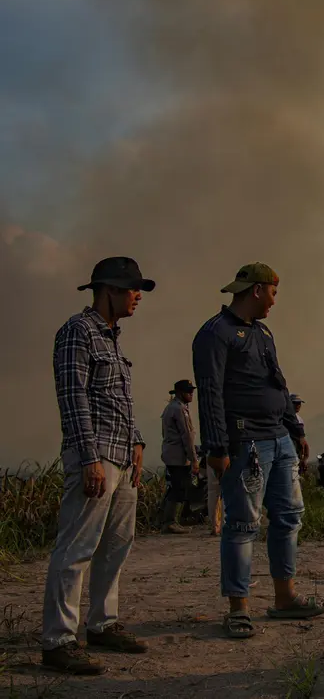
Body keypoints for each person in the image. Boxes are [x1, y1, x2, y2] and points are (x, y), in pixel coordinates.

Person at [191, 262, 322, 640]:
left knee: (289, 515)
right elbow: (210, 393)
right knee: (243, 523)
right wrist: (216, 447)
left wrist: (294, 429)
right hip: (245, 442)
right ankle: (238, 608)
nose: (275, 302)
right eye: (274, 293)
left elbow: (278, 385)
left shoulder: (263, 333)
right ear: (258, 290)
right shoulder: (215, 335)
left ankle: (285, 598)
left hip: (278, 438)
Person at [42, 256, 155, 675]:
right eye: (131, 289)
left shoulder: (110, 337)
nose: (137, 295)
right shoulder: (78, 332)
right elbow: (73, 399)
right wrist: (89, 457)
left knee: (116, 545)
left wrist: (138, 440)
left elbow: (116, 400)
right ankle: (57, 640)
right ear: (107, 290)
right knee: (76, 548)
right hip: (98, 456)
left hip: (122, 455)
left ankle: (103, 623)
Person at [158, 379, 199, 534]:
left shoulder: (171, 407)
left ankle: (164, 520)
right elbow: (187, 436)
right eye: (188, 391)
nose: (191, 394)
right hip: (178, 456)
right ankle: (170, 522)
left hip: (172, 453)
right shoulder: (179, 409)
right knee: (179, 488)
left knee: (174, 486)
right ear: (180, 393)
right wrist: (194, 459)